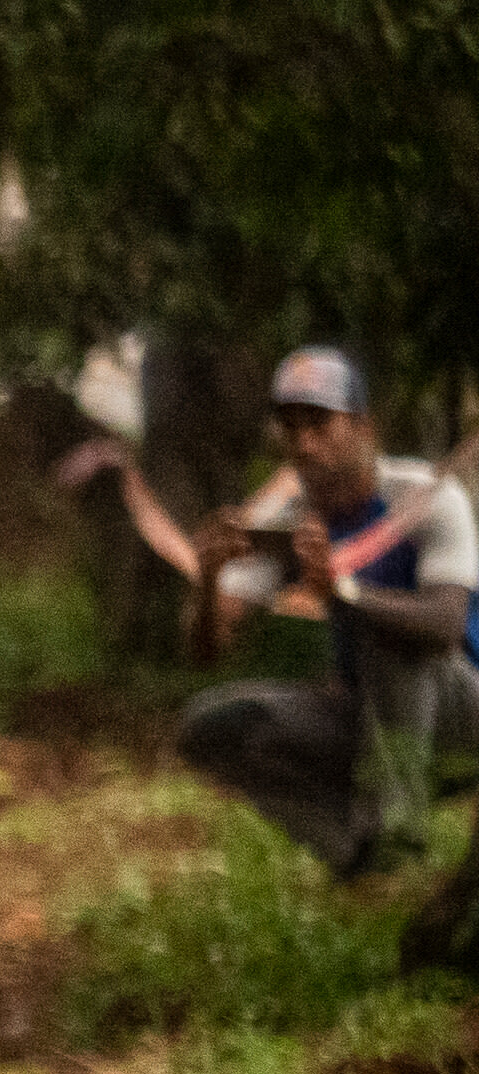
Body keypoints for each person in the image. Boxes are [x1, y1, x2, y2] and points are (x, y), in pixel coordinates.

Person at [178, 346, 479, 877]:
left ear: (363, 427)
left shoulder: (424, 496)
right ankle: (354, 857)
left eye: (320, 422)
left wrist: (342, 591)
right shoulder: (287, 520)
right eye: (290, 428)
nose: (304, 443)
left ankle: (397, 847)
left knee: (386, 641)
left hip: (461, 711)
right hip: (370, 715)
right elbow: (210, 651)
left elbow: (444, 627)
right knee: (212, 726)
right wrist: (208, 578)